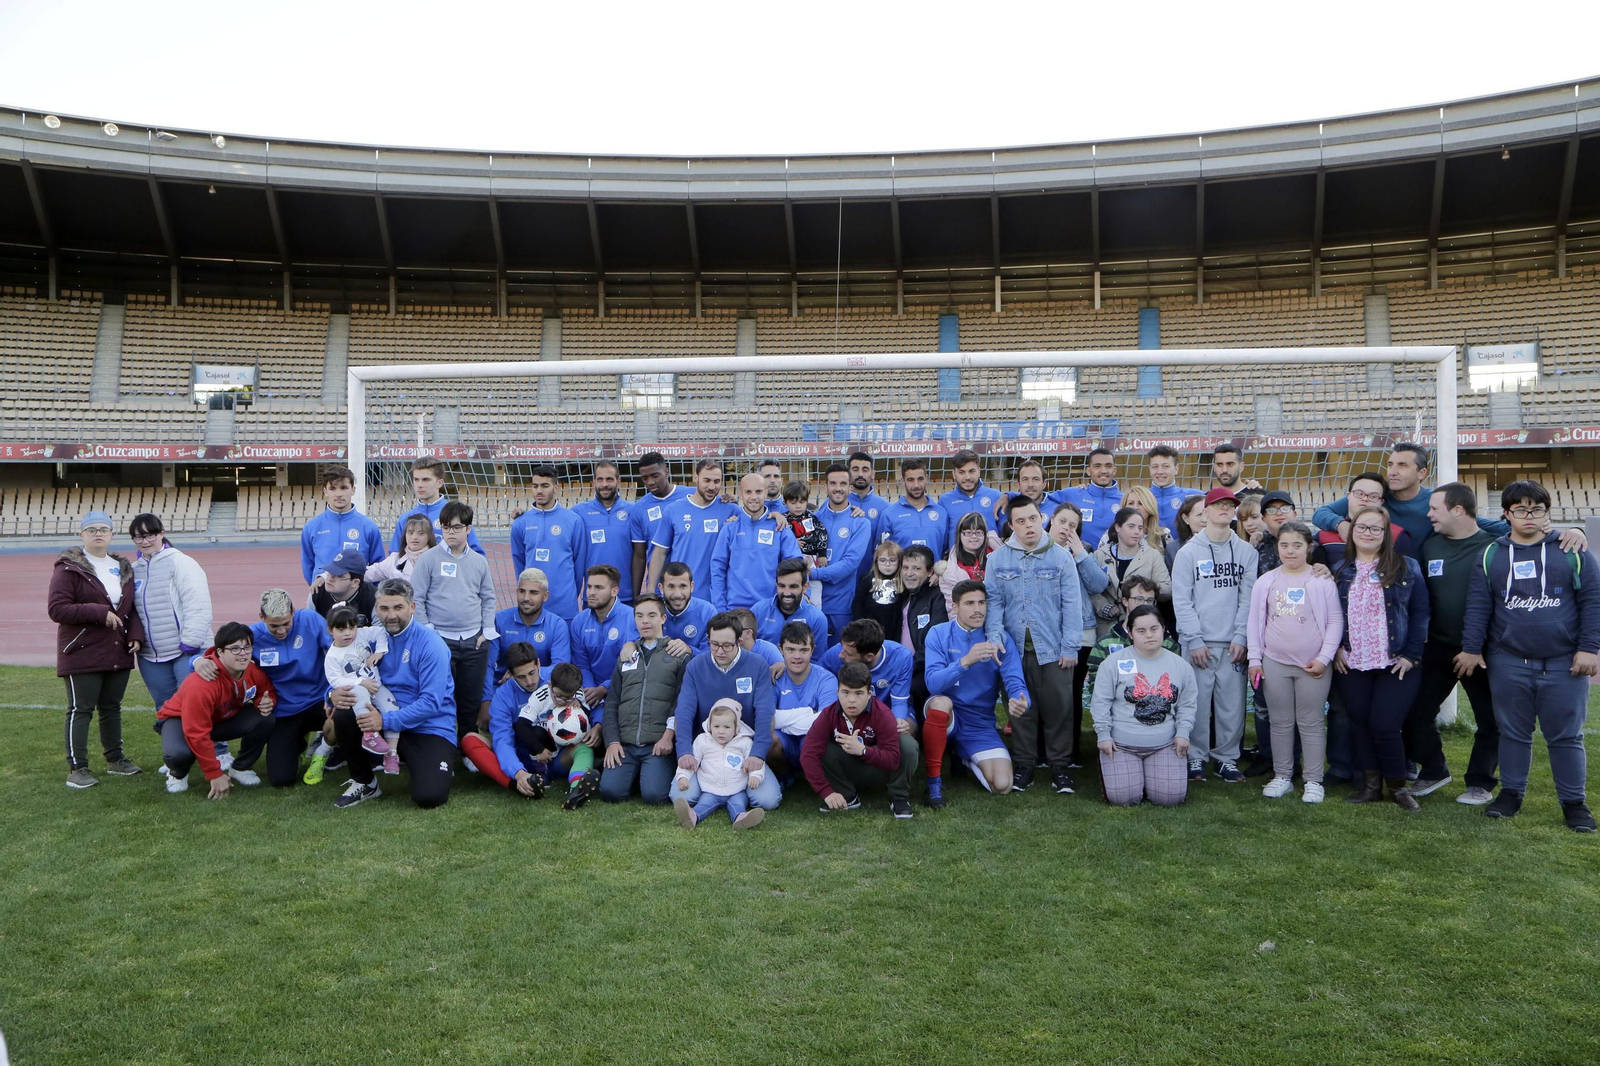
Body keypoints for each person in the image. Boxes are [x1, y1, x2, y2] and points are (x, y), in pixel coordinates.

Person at [1459, 480, 1598, 832]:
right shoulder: (1491, 555)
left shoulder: (1572, 550)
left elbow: (1592, 602)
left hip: (1564, 663)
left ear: (1546, 513)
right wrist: (1472, 649)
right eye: (1520, 509)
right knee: (1512, 733)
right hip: (1509, 662)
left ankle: (1574, 803)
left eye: (1537, 509)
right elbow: (1478, 607)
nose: (1529, 516)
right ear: (1507, 514)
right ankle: (1511, 794)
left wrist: (1589, 648)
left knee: (1566, 736)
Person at [1313, 442, 1588, 559]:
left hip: (1423, 579)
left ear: (1421, 473)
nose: (1393, 471)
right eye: (1390, 464)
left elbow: (1491, 526)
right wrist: (1340, 525)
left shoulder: (1435, 502)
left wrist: (1569, 531)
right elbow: (1321, 512)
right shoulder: (1376, 496)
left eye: (1402, 465)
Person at [326, 578, 457, 810]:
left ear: (412, 607)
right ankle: (365, 782)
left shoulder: (431, 645)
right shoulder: (365, 639)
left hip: (427, 726)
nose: (391, 615)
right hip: (385, 717)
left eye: (398, 607)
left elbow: (431, 704)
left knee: (429, 797)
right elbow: (344, 671)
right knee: (345, 711)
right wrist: (331, 694)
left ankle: (426, 760)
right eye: (384, 608)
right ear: (377, 609)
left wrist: (384, 720)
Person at [1331, 506, 1430, 811]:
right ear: (1352, 530)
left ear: (1387, 534)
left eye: (1376, 529)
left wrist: (1412, 655)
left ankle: (1398, 787)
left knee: (1385, 725)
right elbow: (1329, 615)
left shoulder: (1406, 567)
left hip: (1396, 661)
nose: (1368, 533)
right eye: (1362, 527)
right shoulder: (1340, 570)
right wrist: (1335, 649)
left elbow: (1420, 612)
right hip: (1352, 660)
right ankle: (1370, 786)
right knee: (1359, 722)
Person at [984, 495, 1082, 794]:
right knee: (1020, 709)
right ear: (1011, 525)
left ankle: (1059, 767)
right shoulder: (997, 560)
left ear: (1042, 518)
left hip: (1053, 649)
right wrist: (995, 639)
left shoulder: (1061, 557)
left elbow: (1072, 604)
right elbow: (994, 602)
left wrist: (1070, 647)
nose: (1029, 526)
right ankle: (1024, 765)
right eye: (1021, 521)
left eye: (1033, 519)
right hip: (1014, 651)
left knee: (1058, 708)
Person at [1409, 483, 1499, 805]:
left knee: (1490, 721)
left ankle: (1480, 783)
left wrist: (1570, 531)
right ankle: (1433, 769)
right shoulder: (1430, 545)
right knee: (1414, 712)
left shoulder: (1495, 545)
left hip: (1483, 651)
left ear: (1458, 510)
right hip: (1438, 647)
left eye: (1435, 508)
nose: (1429, 514)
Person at [192, 587, 332, 788]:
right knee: (280, 779)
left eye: (286, 623)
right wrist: (196, 661)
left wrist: (334, 692)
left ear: (293, 612)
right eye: (274, 626)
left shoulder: (310, 619)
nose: (281, 630)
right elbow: (220, 655)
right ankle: (297, 746)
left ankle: (332, 752)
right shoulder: (253, 635)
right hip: (286, 710)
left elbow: (339, 648)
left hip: (320, 701)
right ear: (261, 617)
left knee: (348, 713)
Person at [1247, 521, 1343, 803]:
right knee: (1280, 721)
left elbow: (1336, 620)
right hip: (1275, 662)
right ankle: (1283, 776)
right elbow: (1254, 622)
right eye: (1284, 545)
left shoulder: (1320, 581)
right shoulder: (1266, 581)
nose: (1290, 551)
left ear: (1309, 547)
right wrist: (1255, 659)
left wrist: (1324, 658)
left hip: (1312, 666)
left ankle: (1314, 780)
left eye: (1297, 545)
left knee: (1311, 721)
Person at [49, 511, 146, 788]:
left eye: (104, 529)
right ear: (82, 535)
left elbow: (130, 610)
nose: (98, 534)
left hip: (117, 650)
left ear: (112, 534)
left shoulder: (122, 567)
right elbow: (57, 609)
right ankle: (77, 768)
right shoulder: (68, 567)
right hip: (81, 649)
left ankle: (116, 760)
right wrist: (99, 612)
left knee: (111, 707)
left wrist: (135, 635)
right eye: (91, 530)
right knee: (81, 709)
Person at [1171, 487, 1258, 784]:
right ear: (1204, 511)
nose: (1224, 509)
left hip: (1232, 643)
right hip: (1199, 643)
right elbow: (1182, 601)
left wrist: (1241, 637)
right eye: (1218, 505)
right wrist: (1193, 639)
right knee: (1195, 702)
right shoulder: (1188, 553)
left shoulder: (1247, 552)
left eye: (1229, 505)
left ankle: (1226, 759)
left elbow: (1248, 599)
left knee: (1232, 705)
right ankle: (1195, 756)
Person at [923, 579, 1030, 802]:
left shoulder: (1000, 639)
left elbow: (1014, 680)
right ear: (955, 607)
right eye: (970, 603)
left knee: (1002, 785)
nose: (978, 609)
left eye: (982, 603)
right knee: (941, 703)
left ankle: (963, 756)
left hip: (979, 724)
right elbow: (933, 684)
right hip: (947, 715)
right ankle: (934, 782)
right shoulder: (938, 633)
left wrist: (1021, 699)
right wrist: (965, 662)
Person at [672, 612, 782, 810]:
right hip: (706, 749)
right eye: (714, 644)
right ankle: (717, 789)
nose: (720, 651)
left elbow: (765, 712)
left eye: (727, 646)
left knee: (768, 801)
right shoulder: (695, 666)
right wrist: (685, 751)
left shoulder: (757, 665)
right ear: (708, 640)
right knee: (681, 797)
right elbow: (684, 712)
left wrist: (757, 754)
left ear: (739, 641)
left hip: (744, 748)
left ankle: (734, 792)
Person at [1090, 605, 1198, 807]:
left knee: (1170, 799)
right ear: (1130, 633)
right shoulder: (1113, 663)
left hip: (1164, 744)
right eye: (1141, 631)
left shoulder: (1181, 666)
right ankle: (1135, 779)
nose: (1149, 635)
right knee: (1122, 798)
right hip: (1121, 745)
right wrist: (1103, 735)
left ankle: (1151, 778)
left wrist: (1183, 733)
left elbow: (1188, 703)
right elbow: (1100, 701)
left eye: (1154, 629)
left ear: (1164, 630)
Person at [154, 623, 275, 798]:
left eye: (246, 647)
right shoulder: (203, 683)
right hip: (180, 720)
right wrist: (214, 773)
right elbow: (196, 731)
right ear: (220, 652)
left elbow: (267, 690)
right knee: (178, 754)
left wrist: (265, 702)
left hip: (218, 720)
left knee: (266, 718)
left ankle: (241, 767)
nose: (242, 653)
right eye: (234, 648)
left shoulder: (251, 670)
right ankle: (177, 773)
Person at [410, 501, 497, 739]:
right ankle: (440, 741)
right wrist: (430, 633)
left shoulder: (479, 561)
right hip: (440, 640)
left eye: (456, 528)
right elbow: (416, 598)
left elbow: (488, 598)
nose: (450, 533)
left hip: (473, 642)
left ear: (468, 529)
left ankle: (467, 746)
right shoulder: (428, 559)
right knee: (439, 697)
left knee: (470, 699)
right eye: (446, 528)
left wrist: (486, 632)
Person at [127, 511, 212, 737]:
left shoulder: (181, 562)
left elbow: (198, 602)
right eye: (138, 537)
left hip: (186, 651)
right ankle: (175, 758)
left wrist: (191, 642)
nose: (145, 541)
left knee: (197, 706)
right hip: (151, 656)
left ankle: (218, 753)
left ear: (161, 534)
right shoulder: (134, 571)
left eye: (150, 535)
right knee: (165, 708)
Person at [598, 594, 686, 805]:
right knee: (610, 792)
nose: (644, 621)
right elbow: (612, 703)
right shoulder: (627, 654)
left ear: (663, 618)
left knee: (654, 796)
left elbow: (681, 702)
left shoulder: (678, 654)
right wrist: (611, 742)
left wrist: (667, 736)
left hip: (657, 743)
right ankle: (628, 772)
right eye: (639, 616)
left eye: (651, 615)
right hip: (625, 744)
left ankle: (651, 772)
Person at [802, 661, 918, 818]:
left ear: (869, 693)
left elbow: (893, 760)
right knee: (821, 747)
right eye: (845, 692)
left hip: (881, 771)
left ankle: (898, 796)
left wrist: (863, 750)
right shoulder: (828, 714)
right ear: (837, 692)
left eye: (858, 693)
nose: (851, 700)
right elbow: (808, 754)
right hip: (848, 769)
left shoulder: (883, 714)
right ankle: (847, 796)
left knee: (907, 744)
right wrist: (826, 792)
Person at [1049, 502, 1112, 762]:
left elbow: (1099, 584)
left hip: (1082, 633)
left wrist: (1080, 555)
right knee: (1050, 694)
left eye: (1073, 525)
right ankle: (1047, 748)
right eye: (1062, 522)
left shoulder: (1083, 552)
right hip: (1050, 631)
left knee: (1072, 693)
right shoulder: (1037, 549)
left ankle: (1071, 750)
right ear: (1052, 520)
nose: (1066, 528)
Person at [460, 641, 553, 801]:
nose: (530, 681)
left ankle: (573, 774)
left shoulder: (554, 677)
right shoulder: (502, 696)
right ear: (510, 673)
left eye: (532, 673)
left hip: (554, 750)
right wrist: (518, 771)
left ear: (538, 663)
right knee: (469, 740)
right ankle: (518, 783)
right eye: (521, 677)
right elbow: (503, 740)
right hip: (520, 752)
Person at [317, 603, 399, 779]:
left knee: (393, 709)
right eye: (341, 629)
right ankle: (369, 735)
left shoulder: (361, 635)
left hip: (377, 687)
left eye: (351, 627)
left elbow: (380, 632)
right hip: (361, 690)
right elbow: (335, 680)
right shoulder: (332, 656)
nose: (348, 633)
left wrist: (380, 651)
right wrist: (360, 681)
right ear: (330, 630)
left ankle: (392, 754)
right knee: (358, 691)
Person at [479, 568, 571, 717]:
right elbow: (488, 665)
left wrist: (521, 675)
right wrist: (486, 701)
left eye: (533, 593)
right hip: (504, 690)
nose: (526, 598)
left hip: (541, 690)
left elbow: (560, 667)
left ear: (545, 596)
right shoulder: (499, 621)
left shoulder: (557, 625)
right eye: (522, 591)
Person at [708, 472, 801, 612]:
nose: (753, 497)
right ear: (740, 494)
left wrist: (802, 597)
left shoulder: (780, 527)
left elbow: (796, 565)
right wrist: (720, 608)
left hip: (771, 609)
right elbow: (717, 570)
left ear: (766, 493)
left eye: (758, 491)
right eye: (748, 492)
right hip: (735, 609)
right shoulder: (730, 528)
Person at [647, 459, 738, 592]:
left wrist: (776, 515)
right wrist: (650, 589)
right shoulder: (673, 510)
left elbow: (756, 518)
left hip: (715, 597)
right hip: (679, 595)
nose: (712, 487)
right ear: (696, 477)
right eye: (706, 480)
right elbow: (660, 552)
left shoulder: (731, 509)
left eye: (716, 481)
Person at [672, 700, 766, 829]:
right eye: (716, 726)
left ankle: (741, 818)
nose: (721, 731)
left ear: (736, 728)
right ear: (710, 726)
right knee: (703, 805)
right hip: (710, 790)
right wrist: (683, 776)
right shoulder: (702, 741)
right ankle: (691, 817)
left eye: (727, 727)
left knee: (738, 804)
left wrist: (755, 776)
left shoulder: (745, 743)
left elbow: (755, 763)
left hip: (736, 790)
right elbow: (691, 762)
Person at [510, 464, 587, 615]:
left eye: (545, 485)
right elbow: (519, 563)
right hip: (533, 605)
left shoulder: (573, 520)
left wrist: (570, 594)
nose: (539, 490)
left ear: (556, 487)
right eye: (535, 486)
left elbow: (579, 564)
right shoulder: (520, 522)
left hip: (565, 605)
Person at [812, 462, 873, 643]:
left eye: (843, 484)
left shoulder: (861, 523)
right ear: (825, 487)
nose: (838, 489)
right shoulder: (813, 519)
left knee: (841, 659)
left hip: (841, 606)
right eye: (833, 484)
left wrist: (813, 573)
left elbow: (850, 564)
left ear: (850, 487)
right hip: (812, 604)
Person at [1090, 506, 1172, 639]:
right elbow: (1090, 590)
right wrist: (1104, 606)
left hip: (1142, 626)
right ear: (1118, 527)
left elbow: (1167, 589)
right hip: (1106, 627)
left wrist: (1145, 588)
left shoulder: (1152, 555)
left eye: (1140, 528)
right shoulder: (1100, 555)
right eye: (1131, 527)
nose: (1137, 532)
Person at [818, 618, 915, 727]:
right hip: (849, 710)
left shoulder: (901, 657)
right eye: (842, 647)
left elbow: (899, 702)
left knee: (905, 730)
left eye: (848, 654)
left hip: (888, 708)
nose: (841, 655)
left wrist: (897, 724)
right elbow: (815, 681)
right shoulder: (834, 654)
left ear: (869, 657)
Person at [300, 465, 385, 587]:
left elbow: (378, 566)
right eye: (333, 488)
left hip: (358, 596)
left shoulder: (369, 527)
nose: (338, 494)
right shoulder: (312, 528)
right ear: (325, 491)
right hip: (324, 593)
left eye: (344, 488)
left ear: (353, 490)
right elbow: (308, 566)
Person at [773, 620, 839, 776]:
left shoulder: (826, 679)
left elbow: (826, 720)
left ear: (812, 650)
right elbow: (767, 717)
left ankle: (813, 776)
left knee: (821, 737)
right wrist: (808, 713)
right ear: (780, 649)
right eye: (790, 649)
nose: (797, 656)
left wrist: (783, 723)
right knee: (768, 738)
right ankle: (786, 776)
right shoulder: (773, 677)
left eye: (803, 650)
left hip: (811, 738)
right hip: (784, 740)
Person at [1084, 576, 1180, 681]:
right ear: (1125, 601)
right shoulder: (1105, 643)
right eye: (1139, 599)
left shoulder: (1167, 643)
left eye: (1150, 600)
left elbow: (1176, 679)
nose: (1145, 604)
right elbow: (1093, 681)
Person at [570, 564, 638, 707]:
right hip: (591, 692)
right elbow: (581, 664)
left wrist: (605, 688)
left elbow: (631, 664)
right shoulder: (579, 622)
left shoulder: (632, 618)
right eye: (589, 587)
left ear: (614, 591)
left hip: (625, 690)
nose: (591, 592)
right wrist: (591, 691)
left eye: (599, 588)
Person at [389, 456, 483, 555]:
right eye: (416, 479)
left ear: (439, 483)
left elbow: (477, 556)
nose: (419, 485)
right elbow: (395, 557)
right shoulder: (405, 520)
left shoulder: (456, 514)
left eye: (426, 480)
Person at [1315, 473, 1416, 564]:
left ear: (1381, 502)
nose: (1365, 498)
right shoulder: (1324, 536)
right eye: (1359, 493)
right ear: (1348, 496)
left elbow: (1409, 574)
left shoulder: (1397, 536)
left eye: (1373, 496)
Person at [629, 450, 691, 597]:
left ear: (666, 471)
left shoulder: (691, 495)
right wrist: (636, 597)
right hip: (657, 587)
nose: (650, 482)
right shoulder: (639, 508)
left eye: (655, 476)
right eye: (645, 478)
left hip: (687, 583)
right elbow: (639, 556)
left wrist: (727, 499)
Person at [573, 461, 636, 605]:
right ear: (594, 481)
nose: (604, 484)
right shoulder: (578, 513)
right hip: (592, 596)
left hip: (626, 596)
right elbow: (555, 519)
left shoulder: (633, 511)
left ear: (618, 481)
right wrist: (524, 516)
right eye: (600, 479)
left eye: (609, 479)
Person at [896, 544, 947, 718]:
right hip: (899, 669)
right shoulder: (898, 596)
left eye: (916, 568)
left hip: (921, 672)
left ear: (930, 571)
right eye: (905, 568)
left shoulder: (937, 597)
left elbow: (934, 644)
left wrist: (906, 666)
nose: (909, 573)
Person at [1047, 446, 1120, 549]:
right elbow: (1038, 499)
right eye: (1097, 466)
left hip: (1113, 561)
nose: (1103, 470)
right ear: (1088, 471)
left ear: (1114, 470)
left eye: (1108, 466)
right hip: (1080, 560)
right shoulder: (1073, 494)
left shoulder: (1126, 500)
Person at [876, 458, 949, 561]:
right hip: (902, 576)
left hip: (934, 576)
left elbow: (945, 551)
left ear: (926, 478)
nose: (916, 485)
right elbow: (882, 553)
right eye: (910, 480)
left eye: (920, 479)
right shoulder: (889, 515)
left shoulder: (942, 513)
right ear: (902, 481)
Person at [752, 558, 828, 649]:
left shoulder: (817, 618)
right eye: (782, 586)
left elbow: (817, 659)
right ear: (776, 584)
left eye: (793, 587)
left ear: (805, 587)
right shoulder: (759, 611)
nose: (786, 593)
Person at [846, 451, 893, 576]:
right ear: (848, 473)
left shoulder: (886, 508)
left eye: (865, 469)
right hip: (843, 576)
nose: (860, 474)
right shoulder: (836, 504)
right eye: (855, 469)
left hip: (875, 576)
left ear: (872, 474)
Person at [939, 448, 997, 545]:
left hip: (991, 558)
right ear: (954, 474)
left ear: (978, 471)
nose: (967, 477)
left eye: (971, 471)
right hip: (959, 559)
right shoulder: (945, 501)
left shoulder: (995, 496)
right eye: (961, 472)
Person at [939, 511, 995, 614]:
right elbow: (952, 607)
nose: (974, 536)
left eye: (978, 532)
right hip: (969, 620)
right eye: (968, 532)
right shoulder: (950, 569)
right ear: (959, 535)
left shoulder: (997, 557)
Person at [781, 479, 829, 592]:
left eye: (802, 502)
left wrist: (822, 554)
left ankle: (816, 607)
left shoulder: (812, 518)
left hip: (811, 558)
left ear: (807, 501)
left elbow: (822, 534)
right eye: (793, 503)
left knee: (816, 586)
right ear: (785, 502)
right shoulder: (783, 520)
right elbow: (779, 540)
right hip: (791, 559)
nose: (798, 506)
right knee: (795, 587)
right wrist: (792, 543)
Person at [307, 549, 376, 626]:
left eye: (339, 576)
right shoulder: (316, 593)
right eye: (330, 572)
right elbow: (310, 629)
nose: (330, 578)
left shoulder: (373, 599)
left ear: (355, 582)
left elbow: (379, 633)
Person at [660, 561, 715, 653]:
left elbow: (712, 654)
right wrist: (630, 644)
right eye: (671, 586)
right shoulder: (650, 611)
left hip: (695, 666)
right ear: (661, 588)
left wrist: (690, 650)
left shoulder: (707, 612)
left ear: (691, 587)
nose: (677, 594)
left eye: (683, 586)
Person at [1146, 444, 1202, 534]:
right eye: (1155, 467)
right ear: (1150, 469)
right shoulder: (1140, 497)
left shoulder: (1193, 496)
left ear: (1176, 469)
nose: (1160, 472)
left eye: (1165, 466)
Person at [365, 514, 435, 584]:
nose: (414, 537)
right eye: (410, 533)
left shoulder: (437, 560)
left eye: (421, 533)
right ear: (405, 535)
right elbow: (368, 573)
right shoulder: (394, 559)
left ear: (429, 536)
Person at [854, 540, 903, 639]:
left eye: (892, 560)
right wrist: (860, 626)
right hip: (871, 627)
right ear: (876, 561)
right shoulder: (867, 579)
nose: (887, 564)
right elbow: (857, 603)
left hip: (895, 627)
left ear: (900, 561)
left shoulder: (903, 581)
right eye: (883, 560)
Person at [994, 459, 1057, 533]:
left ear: (1044, 484)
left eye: (1035, 479)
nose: (1030, 484)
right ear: (1018, 484)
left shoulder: (1056, 510)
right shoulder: (1005, 508)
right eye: (1025, 479)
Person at [1166, 494, 1207, 572]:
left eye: (1207, 514)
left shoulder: (1222, 544)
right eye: (1199, 515)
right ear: (1185, 518)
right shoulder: (1174, 548)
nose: (1204, 520)